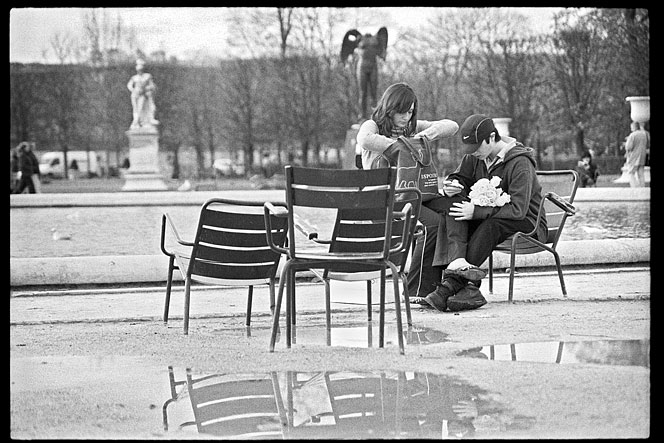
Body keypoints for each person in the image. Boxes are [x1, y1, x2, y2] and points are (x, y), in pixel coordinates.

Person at [423, 114, 547, 312]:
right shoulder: (475, 157)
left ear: (491, 138)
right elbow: (459, 177)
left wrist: (477, 212)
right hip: (495, 216)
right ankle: (465, 283)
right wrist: (452, 185)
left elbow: (518, 209)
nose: (473, 153)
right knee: (454, 207)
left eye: (476, 147)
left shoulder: (520, 162)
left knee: (491, 224)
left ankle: (448, 287)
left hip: (528, 221)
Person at [356, 82, 460, 299]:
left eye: (411, 112)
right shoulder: (372, 126)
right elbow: (364, 139)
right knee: (433, 224)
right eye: (402, 111)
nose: (406, 116)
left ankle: (453, 281)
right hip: (387, 200)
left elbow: (452, 126)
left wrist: (426, 136)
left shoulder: (411, 127)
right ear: (389, 108)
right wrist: (398, 146)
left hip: (415, 194)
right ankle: (417, 289)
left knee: (455, 210)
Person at [127, 58, 159, 129]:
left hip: (143, 95)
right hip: (135, 95)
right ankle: (136, 122)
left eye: (141, 70)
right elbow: (129, 85)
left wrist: (146, 89)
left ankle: (143, 122)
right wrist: (133, 90)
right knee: (136, 108)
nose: (140, 71)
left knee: (142, 108)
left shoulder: (147, 76)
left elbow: (152, 85)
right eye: (138, 70)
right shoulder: (134, 77)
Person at [623, 121, 649, 187]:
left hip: (634, 156)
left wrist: (625, 144)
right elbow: (647, 145)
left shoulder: (632, 135)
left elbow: (628, 147)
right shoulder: (644, 135)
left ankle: (635, 187)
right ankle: (642, 187)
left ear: (634, 127)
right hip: (642, 156)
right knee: (641, 174)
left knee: (631, 173)